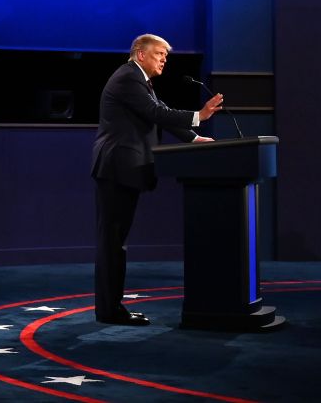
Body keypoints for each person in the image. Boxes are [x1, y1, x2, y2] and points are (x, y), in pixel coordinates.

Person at [91, 34, 223, 325]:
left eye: (166, 55)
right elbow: (156, 112)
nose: (164, 59)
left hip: (120, 169)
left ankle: (111, 307)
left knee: (115, 241)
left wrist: (194, 138)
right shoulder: (128, 77)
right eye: (160, 54)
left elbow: (159, 116)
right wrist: (198, 115)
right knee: (112, 242)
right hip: (116, 168)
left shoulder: (141, 81)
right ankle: (110, 310)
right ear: (140, 54)